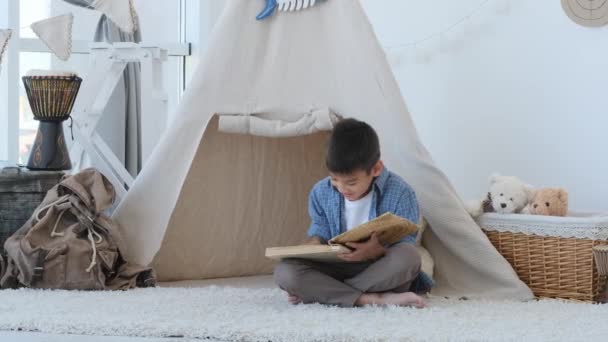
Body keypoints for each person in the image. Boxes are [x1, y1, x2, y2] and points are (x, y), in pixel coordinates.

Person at [273, 118, 433, 307]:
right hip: (337, 267)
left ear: (376, 169)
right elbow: (320, 232)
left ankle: (328, 293)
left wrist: (376, 252)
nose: (341, 188)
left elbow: (405, 244)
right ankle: (373, 299)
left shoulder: (401, 193)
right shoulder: (320, 192)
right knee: (285, 272)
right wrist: (310, 248)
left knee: (409, 257)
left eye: (351, 182)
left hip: (377, 268)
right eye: (334, 179)